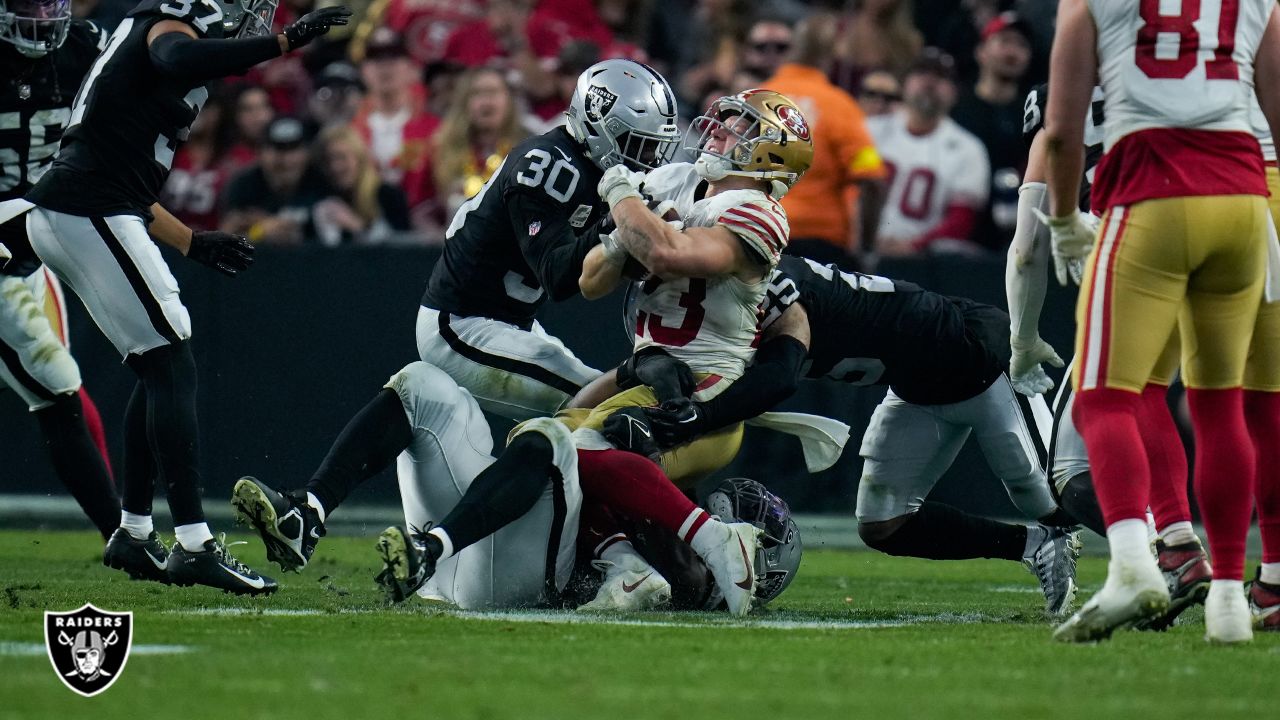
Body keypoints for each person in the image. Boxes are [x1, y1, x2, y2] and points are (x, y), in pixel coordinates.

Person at [230, 59, 683, 588]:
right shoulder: (549, 166)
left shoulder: (576, 162)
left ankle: (307, 510)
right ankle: (616, 555)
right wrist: (622, 231)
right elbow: (560, 276)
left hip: (504, 320)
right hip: (466, 323)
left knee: (594, 407)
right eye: (638, 143)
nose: (647, 158)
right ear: (599, 125)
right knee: (606, 405)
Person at [24, 0, 352, 594]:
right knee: (171, 358)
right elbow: (176, 51)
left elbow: (122, 167)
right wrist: (278, 45)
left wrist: (191, 242)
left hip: (85, 206)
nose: (253, 17)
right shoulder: (167, 26)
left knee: (157, 362)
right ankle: (195, 542)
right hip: (89, 209)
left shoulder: (144, 42)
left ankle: (132, 530)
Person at [641, 254, 1082, 615]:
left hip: (980, 358)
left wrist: (700, 417)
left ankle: (1148, 540)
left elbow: (780, 376)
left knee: (1047, 496)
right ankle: (1035, 545)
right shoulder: (724, 303)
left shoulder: (769, 284)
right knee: (883, 524)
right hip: (915, 389)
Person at [1044, 0, 1280, 644]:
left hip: (1152, 188)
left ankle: (1133, 563)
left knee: (1102, 399)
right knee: (1221, 403)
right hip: (1244, 200)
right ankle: (1231, 599)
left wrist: (1064, 222)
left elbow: (1062, 131)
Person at [1009, 83, 1213, 633]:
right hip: (1231, 237)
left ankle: (1161, 555)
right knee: (1237, 410)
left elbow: (1027, 246)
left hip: (1142, 255)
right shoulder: (1178, 75)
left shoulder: (1060, 97)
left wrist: (1022, 340)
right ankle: (1241, 574)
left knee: (1078, 461)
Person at [0, 0, 121, 548]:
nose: (41, 16)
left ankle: (123, 531)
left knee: (59, 385)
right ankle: (123, 535)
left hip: (27, 249)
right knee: (56, 384)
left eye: (49, 2)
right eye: (28, 3)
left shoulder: (84, 50)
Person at [765, 12, 886, 267]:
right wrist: (867, 246)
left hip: (756, 231)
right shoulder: (839, 107)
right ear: (835, 51)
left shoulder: (757, 97)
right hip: (818, 243)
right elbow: (872, 179)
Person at [866, 48, 990, 255]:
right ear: (904, 84)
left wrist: (913, 247)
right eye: (921, 73)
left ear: (955, 92)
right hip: (859, 248)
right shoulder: (870, 130)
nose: (929, 82)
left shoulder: (969, 149)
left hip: (923, 262)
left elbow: (961, 221)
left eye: (941, 77)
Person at [221, 116, 331, 244]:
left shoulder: (322, 182)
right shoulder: (243, 186)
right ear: (261, 153)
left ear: (307, 153)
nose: (287, 160)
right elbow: (226, 240)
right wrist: (259, 232)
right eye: (279, 149)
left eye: (294, 149)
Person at [313, 124, 410, 245]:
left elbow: (401, 247)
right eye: (327, 160)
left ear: (360, 157)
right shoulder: (323, 198)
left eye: (342, 157)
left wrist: (356, 226)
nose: (334, 167)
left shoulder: (388, 195)